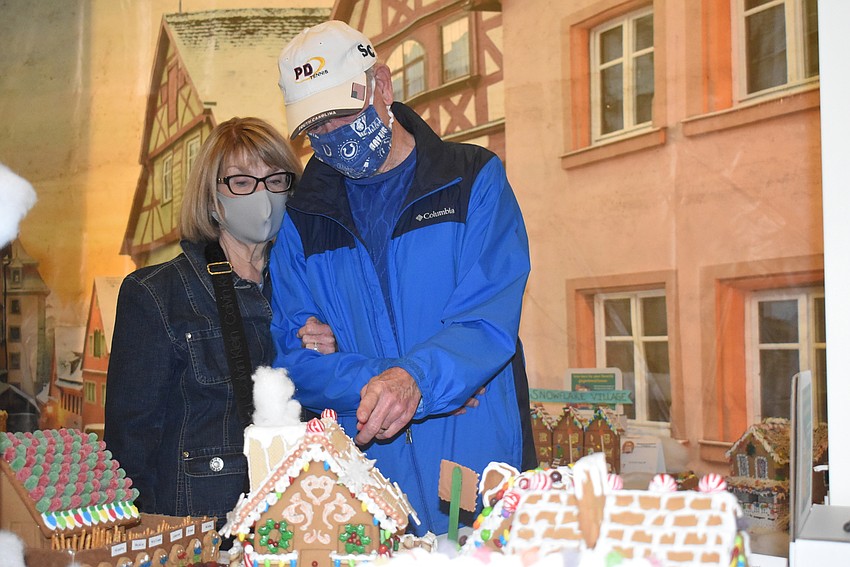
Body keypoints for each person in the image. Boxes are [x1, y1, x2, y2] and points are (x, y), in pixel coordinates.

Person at [270, 21, 535, 535]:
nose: (331, 134)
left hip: (475, 464)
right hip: (367, 488)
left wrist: (415, 380)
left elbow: (486, 323)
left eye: (342, 113)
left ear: (383, 86)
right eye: (315, 126)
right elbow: (294, 362)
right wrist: (397, 377)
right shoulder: (302, 221)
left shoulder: (472, 180)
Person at [104, 117, 335, 526]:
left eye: (275, 180)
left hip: (300, 519)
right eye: (242, 182)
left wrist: (329, 356)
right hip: (200, 530)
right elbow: (130, 448)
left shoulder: (317, 289)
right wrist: (143, 537)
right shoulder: (157, 294)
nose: (263, 195)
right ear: (212, 199)